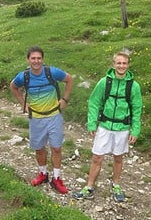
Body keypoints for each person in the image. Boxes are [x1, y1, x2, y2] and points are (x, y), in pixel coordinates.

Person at [73, 51, 143, 203]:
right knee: (97, 157)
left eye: (124, 63)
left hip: (122, 128)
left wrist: (135, 129)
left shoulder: (134, 86)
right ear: (113, 64)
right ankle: (89, 187)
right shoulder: (104, 82)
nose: (121, 66)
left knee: (118, 158)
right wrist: (92, 123)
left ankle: (116, 185)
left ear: (128, 65)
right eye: (118, 63)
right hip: (105, 126)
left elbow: (137, 109)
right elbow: (94, 102)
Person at [10, 46, 73, 194]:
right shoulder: (23, 76)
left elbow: (69, 80)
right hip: (36, 118)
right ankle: (43, 174)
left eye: (39, 58)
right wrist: (23, 104)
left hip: (54, 116)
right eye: (33, 58)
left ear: (42, 59)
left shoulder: (51, 72)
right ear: (28, 59)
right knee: (39, 148)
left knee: (56, 148)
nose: (36, 61)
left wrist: (65, 100)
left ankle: (56, 178)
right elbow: (13, 87)